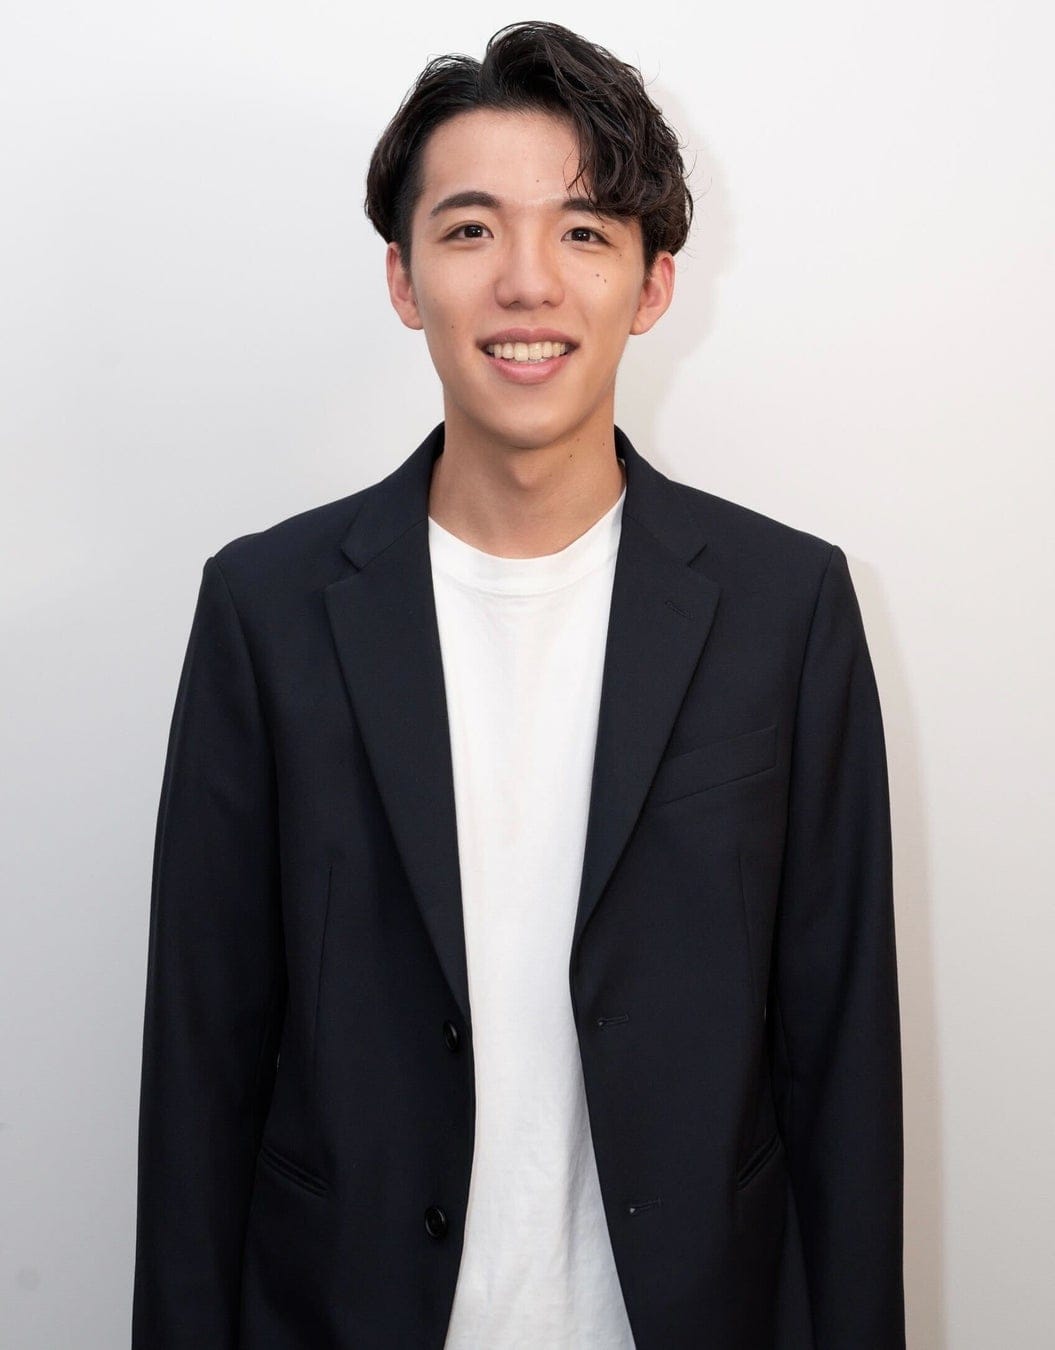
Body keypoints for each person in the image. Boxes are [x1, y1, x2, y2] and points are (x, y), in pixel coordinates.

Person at [131, 20, 905, 1349]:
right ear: (403, 276)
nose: (528, 283)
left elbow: (842, 1066)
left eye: (585, 232)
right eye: (473, 229)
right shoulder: (265, 610)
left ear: (653, 285)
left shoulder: (788, 611)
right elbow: (200, 1068)